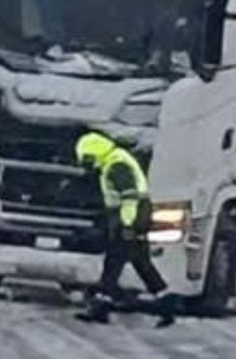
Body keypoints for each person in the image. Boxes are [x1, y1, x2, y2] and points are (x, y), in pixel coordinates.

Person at [72, 130, 177, 327]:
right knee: (141, 263)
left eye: (86, 159)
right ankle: (167, 304)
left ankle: (101, 307)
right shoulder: (115, 159)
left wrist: (127, 226)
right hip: (139, 216)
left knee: (114, 262)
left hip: (131, 218)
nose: (86, 165)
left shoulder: (115, 166)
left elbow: (129, 199)